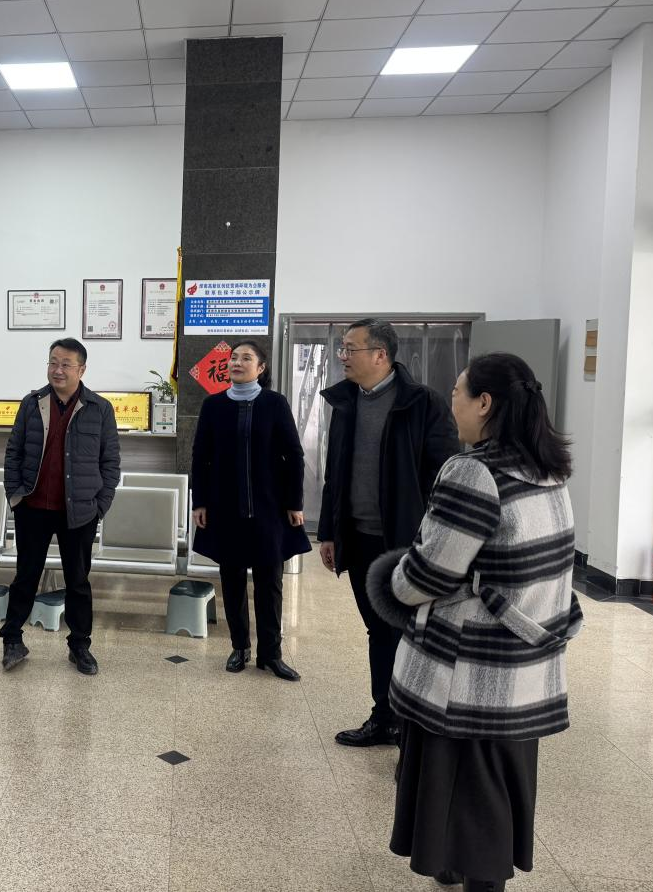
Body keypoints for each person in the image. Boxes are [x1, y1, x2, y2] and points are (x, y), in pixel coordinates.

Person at [366, 353, 583, 892]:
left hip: (467, 679)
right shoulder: (546, 469)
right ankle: (462, 868)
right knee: (496, 791)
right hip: (524, 669)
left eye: (458, 393)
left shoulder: (473, 472)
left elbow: (429, 573)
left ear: (484, 403)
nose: (452, 404)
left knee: (466, 799)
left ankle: (473, 875)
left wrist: (392, 581)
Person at [317, 318, 460, 748]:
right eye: (342, 348)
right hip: (359, 538)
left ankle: (414, 721)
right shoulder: (346, 402)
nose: (342, 356)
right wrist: (329, 532)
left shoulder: (423, 404)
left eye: (350, 349)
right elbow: (334, 473)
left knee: (410, 632)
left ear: (380, 355)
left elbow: (444, 477)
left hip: (405, 542)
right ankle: (386, 718)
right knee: (379, 630)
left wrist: (434, 540)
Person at [0, 337, 120, 675]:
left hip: (79, 511)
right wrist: (15, 495)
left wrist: (100, 505)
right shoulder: (32, 403)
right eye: (53, 362)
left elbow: (110, 462)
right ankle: (12, 639)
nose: (58, 369)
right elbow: (13, 452)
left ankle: (80, 645)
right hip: (33, 507)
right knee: (26, 577)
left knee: (78, 581)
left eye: (66, 364)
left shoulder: (100, 408)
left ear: (82, 369)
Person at [190, 340, 309, 679]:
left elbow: (294, 455)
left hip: (269, 508)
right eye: (233, 358)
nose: (237, 363)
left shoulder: (275, 403)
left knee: (270, 583)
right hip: (225, 508)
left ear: (261, 368)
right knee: (232, 581)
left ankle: (270, 654)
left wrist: (295, 503)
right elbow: (201, 456)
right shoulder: (213, 405)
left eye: (246, 358)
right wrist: (200, 502)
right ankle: (239, 647)